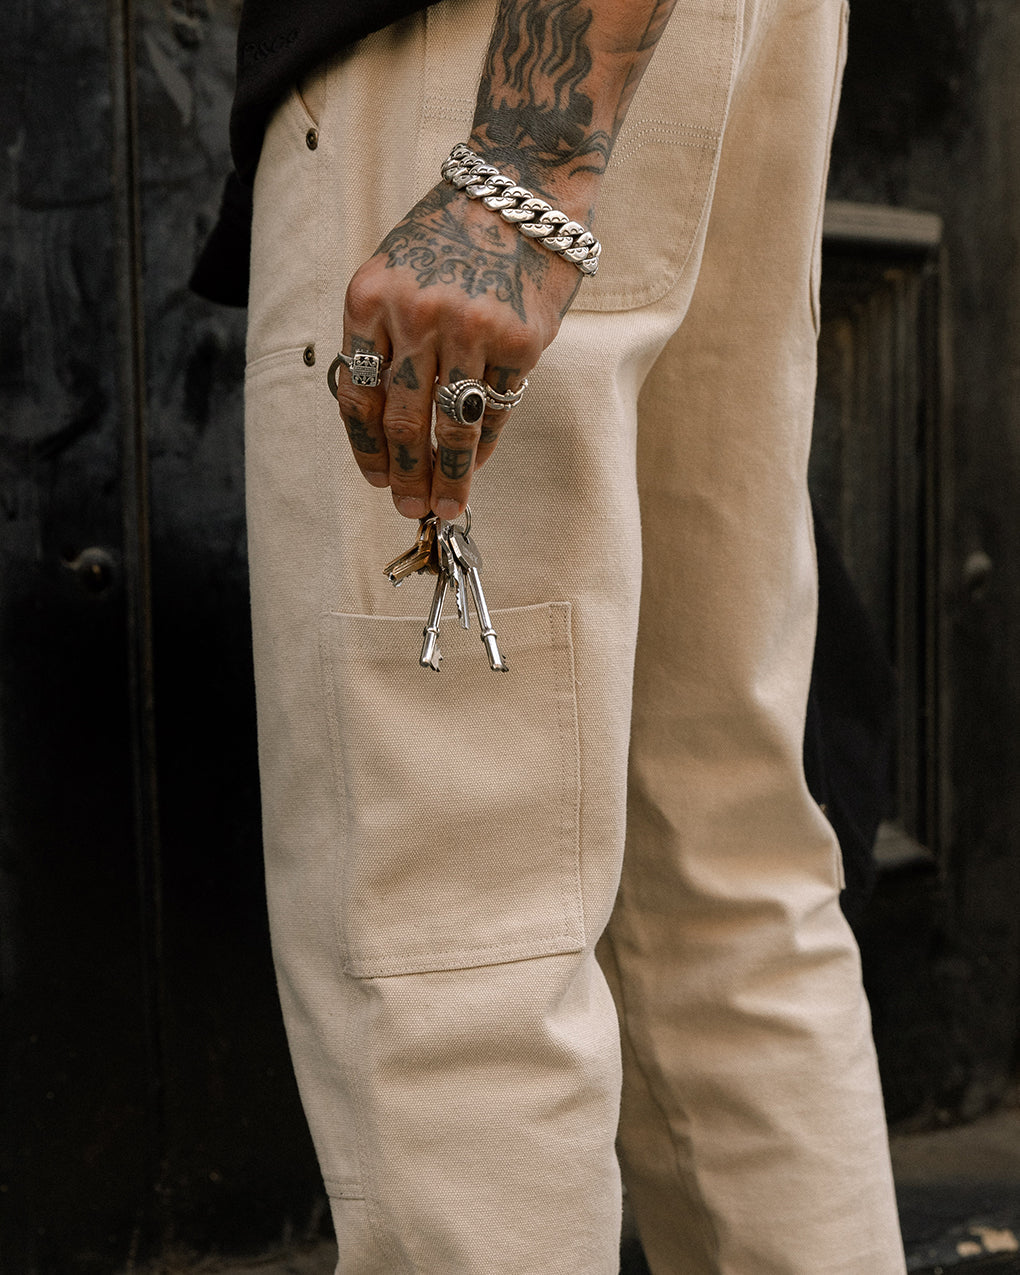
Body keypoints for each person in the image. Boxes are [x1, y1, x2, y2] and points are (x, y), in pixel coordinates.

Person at [235, 0, 908, 1270]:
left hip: (489, 63)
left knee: (455, 941)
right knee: (726, 882)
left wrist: (519, 170)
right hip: (705, 43)